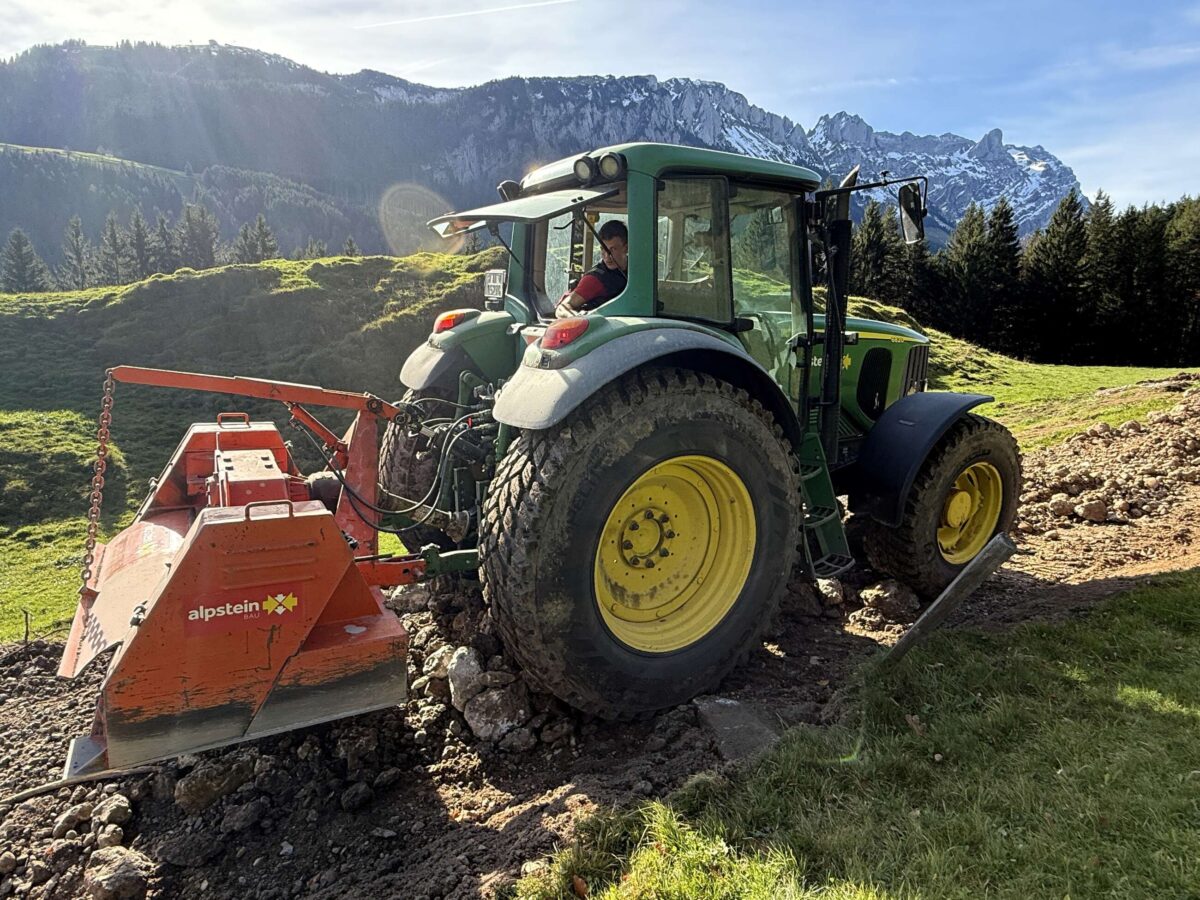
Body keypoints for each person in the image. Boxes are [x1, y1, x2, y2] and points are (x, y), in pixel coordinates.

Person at [555, 219, 628, 317]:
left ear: (626, 248)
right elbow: (562, 308)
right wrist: (576, 317)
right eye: (603, 249)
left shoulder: (637, 270)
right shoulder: (594, 280)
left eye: (613, 249)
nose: (607, 256)